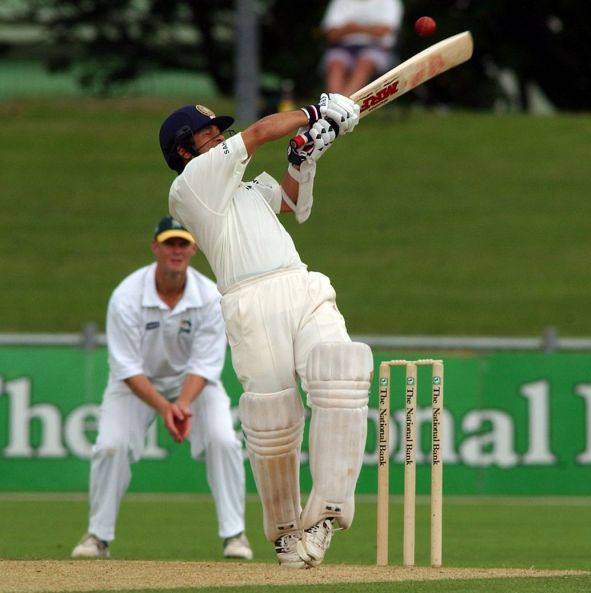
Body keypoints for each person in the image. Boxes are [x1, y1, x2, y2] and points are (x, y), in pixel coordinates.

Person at [157, 97, 372, 569]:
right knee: (273, 420)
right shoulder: (191, 186)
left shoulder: (245, 188)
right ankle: (285, 532)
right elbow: (257, 134)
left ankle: (325, 514)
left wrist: (304, 158)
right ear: (184, 151)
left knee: (343, 371)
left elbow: (294, 204)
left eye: (217, 128)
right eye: (207, 131)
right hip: (250, 304)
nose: (217, 134)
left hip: (300, 283)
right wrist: (315, 113)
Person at [71, 216, 252, 560]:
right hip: (137, 385)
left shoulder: (210, 296)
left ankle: (234, 535)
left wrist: (181, 403)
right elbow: (125, 366)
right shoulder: (126, 296)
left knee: (224, 441)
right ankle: (98, 536)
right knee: (111, 446)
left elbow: (206, 363)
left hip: (194, 386)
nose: (176, 250)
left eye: (183, 244)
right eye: (169, 243)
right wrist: (165, 407)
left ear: (194, 249)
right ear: (155, 247)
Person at [321, 0, 404, 96]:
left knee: (365, 62)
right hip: (342, 48)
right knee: (336, 64)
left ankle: (345, 101)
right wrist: (368, 29)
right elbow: (331, 34)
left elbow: (384, 31)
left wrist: (350, 28)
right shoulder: (340, 2)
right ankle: (334, 102)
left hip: (376, 49)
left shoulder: (390, 2)